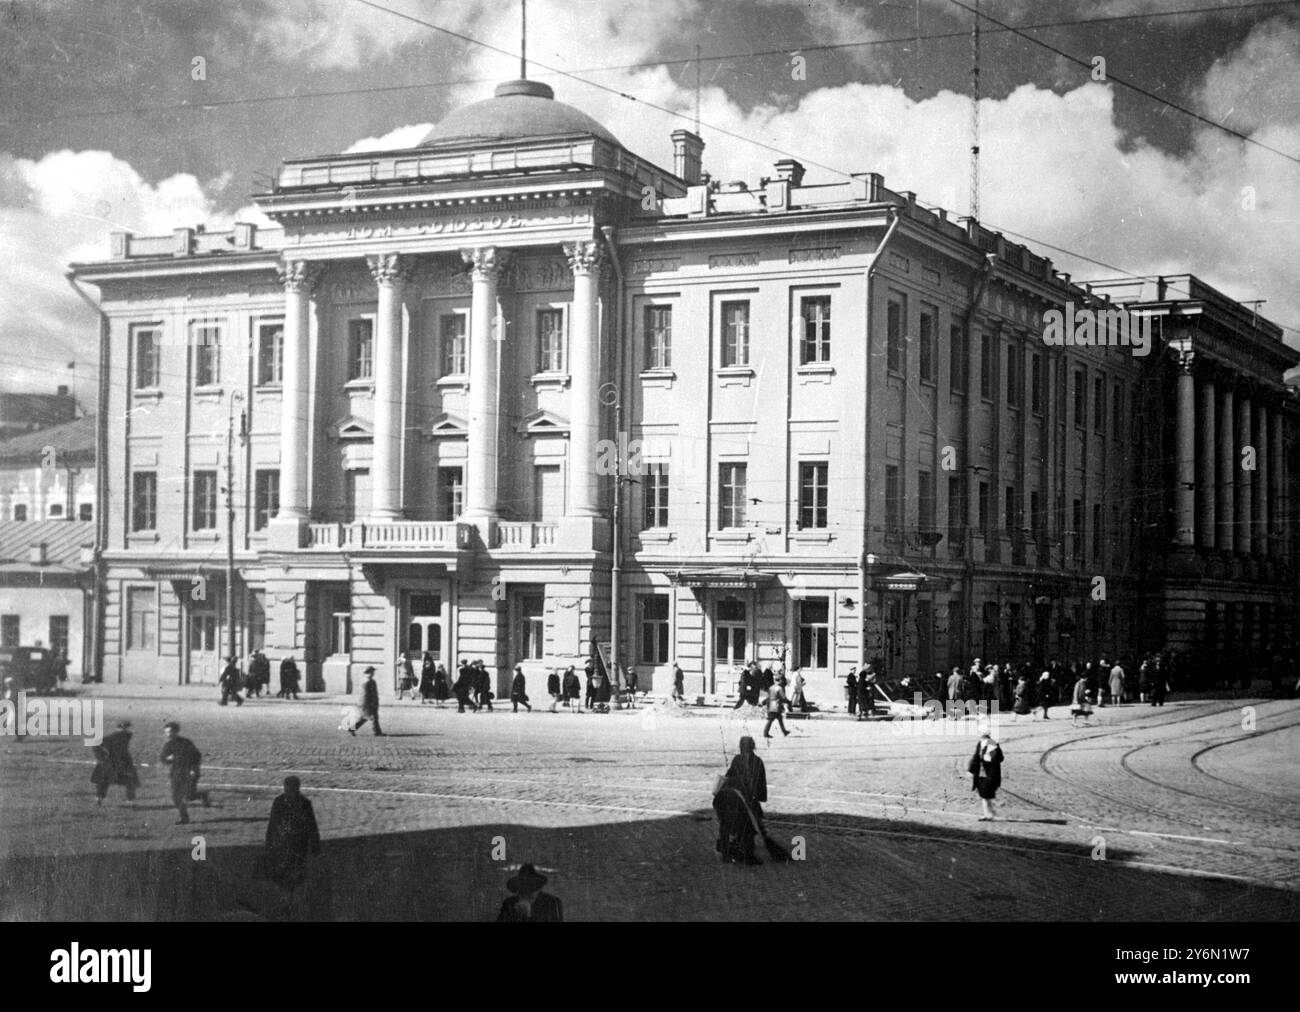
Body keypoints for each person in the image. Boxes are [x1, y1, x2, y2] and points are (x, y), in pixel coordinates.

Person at [262, 776, 322, 891]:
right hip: (291, 844)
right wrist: (315, 848)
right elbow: (312, 827)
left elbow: (272, 825)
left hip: (290, 844)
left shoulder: (281, 802)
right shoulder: (303, 803)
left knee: (291, 872)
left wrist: (269, 845)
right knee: (293, 872)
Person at [723, 737, 768, 864]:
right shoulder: (758, 761)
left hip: (739, 798)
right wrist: (760, 797)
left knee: (742, 825)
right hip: (751, 799)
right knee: (751, 826)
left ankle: (739, 847)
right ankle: (747, 853)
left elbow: (729, 776)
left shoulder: (737, 759)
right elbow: (761, 782)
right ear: (753, 746)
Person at [160, 722, 209, 825]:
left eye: (170, 732)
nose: (168, 734)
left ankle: (202, 795)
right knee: (176, 798)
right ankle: (185, 818)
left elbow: (196, 756)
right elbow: (163, 759)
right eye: (166, 732)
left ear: (176, 731)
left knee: (189, 796)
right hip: (176, 773)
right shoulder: (168, 745)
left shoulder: (185, 742)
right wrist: (168, 758)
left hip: (189, 772)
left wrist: (193, 769)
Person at [91, 721, 139, 805]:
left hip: (112, 762)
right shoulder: (121, 736)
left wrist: (101, 757)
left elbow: (96, 744)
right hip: (118, 763)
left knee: (103, 781)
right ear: (122, 728)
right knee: (130, 780)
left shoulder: (123, 736)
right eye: (126, 728)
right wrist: (101, 756)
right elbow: (96, 744)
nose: (128, 730)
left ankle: (99, 798)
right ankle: (130, 800)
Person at [496, 864, 563, 922]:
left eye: (531, 886)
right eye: (523, 887)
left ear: (537, 886)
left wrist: (528, 916)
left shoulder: (552, 902)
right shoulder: (509, 904)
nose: (527, 891)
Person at [968, 732, 1004, 821]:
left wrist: (987, 757)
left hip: (989, 775)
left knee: (986, 794)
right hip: (980, 774)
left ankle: (990, 813)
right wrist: (971, 770)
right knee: (984, 795)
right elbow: (975, 757)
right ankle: (988, 814)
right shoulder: (980, 743)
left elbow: (998, 759)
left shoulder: (992, 744)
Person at [349, 667, 384, 736]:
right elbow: (367, 694)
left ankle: (352, 729)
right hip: (367, 703)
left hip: (365, 703)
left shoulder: (368, 681)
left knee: (364, 718)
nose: (373, 673)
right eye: (372, 672)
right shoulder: (368, 682)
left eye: (373, 672)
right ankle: (377, 732)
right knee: (373, 717)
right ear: (368, 673)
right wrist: (372, 703)